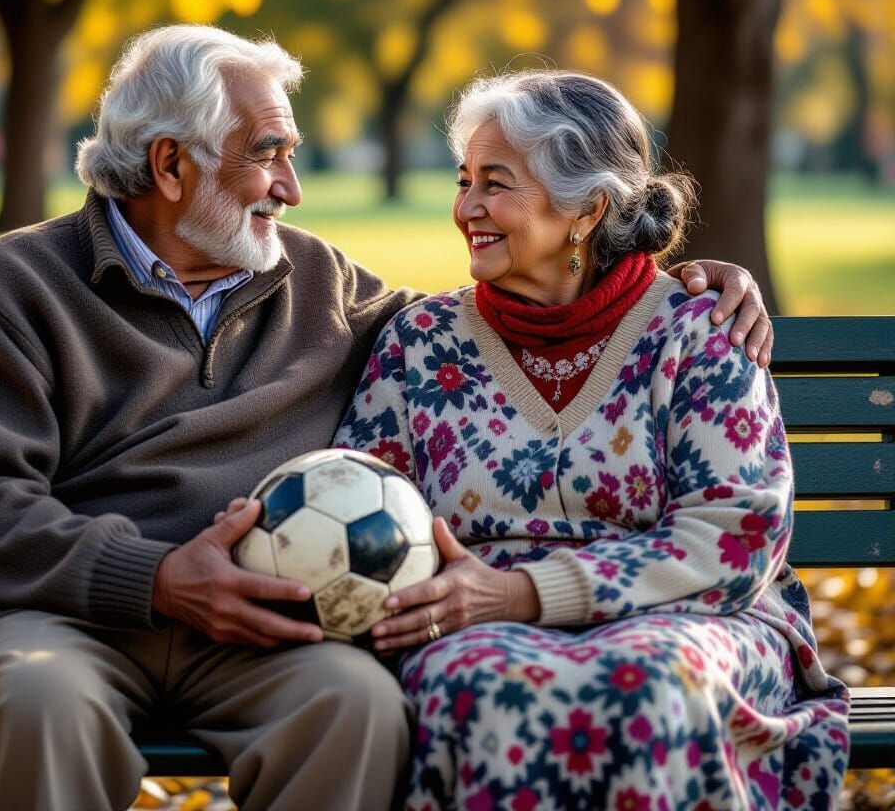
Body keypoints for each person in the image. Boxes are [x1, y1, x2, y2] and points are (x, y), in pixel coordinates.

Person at [0, 26, 774, 811]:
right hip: (56, 618)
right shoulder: (20, 285)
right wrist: (160, 577)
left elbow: (522, 315)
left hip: (261, 625)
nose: (291, 185)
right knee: (40, 703)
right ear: (171, 167)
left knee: (355, 706)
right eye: (267, 153)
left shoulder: (322, 284)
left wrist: (691, 278)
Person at [334, 70, 850, 810]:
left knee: (649, 682)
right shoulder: (424, 340)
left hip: (688, 618)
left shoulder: (699, 330)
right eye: (464, 179)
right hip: (471, 626)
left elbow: (735, 539)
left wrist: (520, 594)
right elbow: (367, 502)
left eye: (496, 184)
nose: (466, 208)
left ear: (586, 210)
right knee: (482, 684)